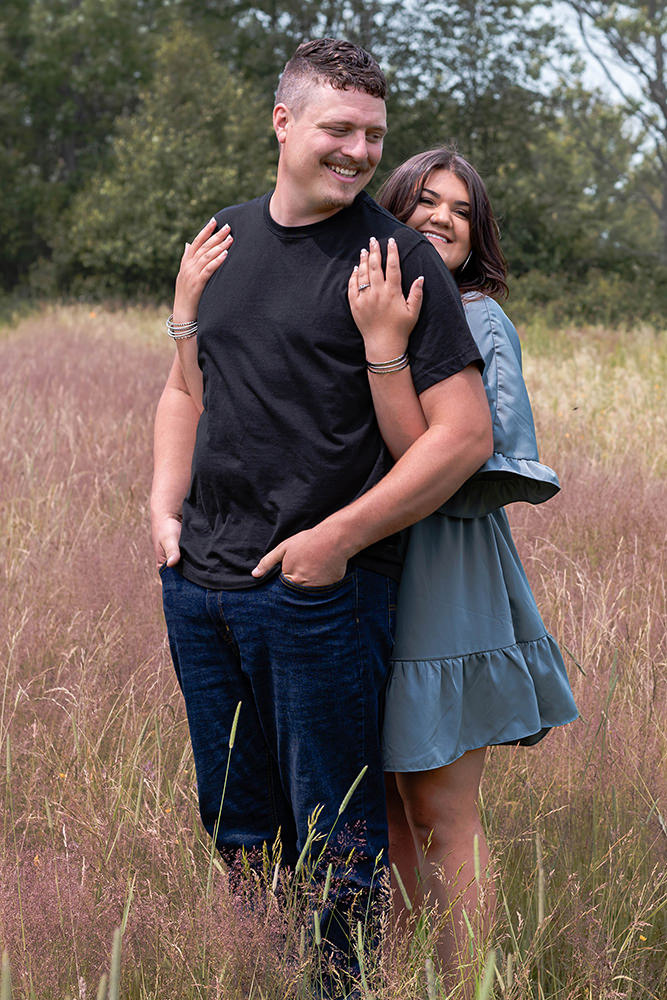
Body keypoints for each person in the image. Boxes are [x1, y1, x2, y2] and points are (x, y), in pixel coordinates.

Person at [150, 41, 492, 974]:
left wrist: (334, 542)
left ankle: (340, 990)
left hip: (318, 599)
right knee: (235, 826)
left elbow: (463, 437)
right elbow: (188, 387)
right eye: (338, 128)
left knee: (336, 840)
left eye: (373, 134)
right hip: (200, 589)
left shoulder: (396, 255)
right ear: (284, 122)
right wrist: (162, 511)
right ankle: (264, 977)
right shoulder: (224, 238)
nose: (357, 150)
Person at [348, 147, 579, 986]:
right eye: (424, 201)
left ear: (476, 233)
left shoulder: (479, 321)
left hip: (443, 579)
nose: (442, 217)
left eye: (460, 208)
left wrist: (385, 353)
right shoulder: (362, 302)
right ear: (391, 212)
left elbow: (469, 464)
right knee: (386, 814)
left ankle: (468, 983)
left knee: (442, 813)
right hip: (357, 575)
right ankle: (416, 976)